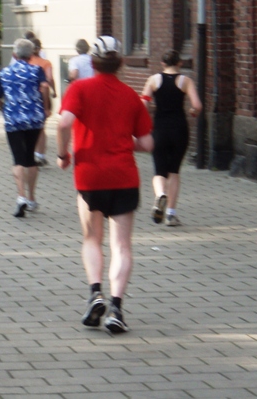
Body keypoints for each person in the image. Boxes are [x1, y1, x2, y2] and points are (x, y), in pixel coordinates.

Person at [56, 36, 153, 334]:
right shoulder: (131, 96)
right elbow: (148, 143)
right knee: (122, 245)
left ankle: (95, 292)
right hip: (124, 176)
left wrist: (63, 154)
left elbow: (63, 123)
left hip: (90, 176)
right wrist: (124, 143)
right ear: (121, 63)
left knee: (92, 239)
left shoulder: (80, 89)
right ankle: (117, 309)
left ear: (93, 63)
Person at [141, 50, 202, 227]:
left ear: (162, 63)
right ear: (179, 63)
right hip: (179, 128)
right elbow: (197, 105)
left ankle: (160, 195)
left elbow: (144, 103)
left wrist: (148, 116)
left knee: (159, 169)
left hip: (159, 128)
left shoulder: (153, 80)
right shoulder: (185, 81)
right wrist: (193, 112)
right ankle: (171, 214)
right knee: (174, 171)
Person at [0, 39, 51, 217]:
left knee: (17, 159)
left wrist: (5, 108)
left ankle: (21, 196)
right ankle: (32, 198)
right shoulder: (36, 70)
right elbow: (45, 86)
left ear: (14, 55)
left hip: (13, 120)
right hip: (33, 118)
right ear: (31, 55)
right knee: (30, 158)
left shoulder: (5, 72)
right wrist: (45, 107)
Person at [26, 37, 57, 166]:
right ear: (40, 48)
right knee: (41, 127)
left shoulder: (26, 62)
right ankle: (41, 155)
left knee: (29, 126)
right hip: (42, 96)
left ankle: (30, 153)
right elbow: (49, 79)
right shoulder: (46, 63)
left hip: (28, 96)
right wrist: (54, 91)